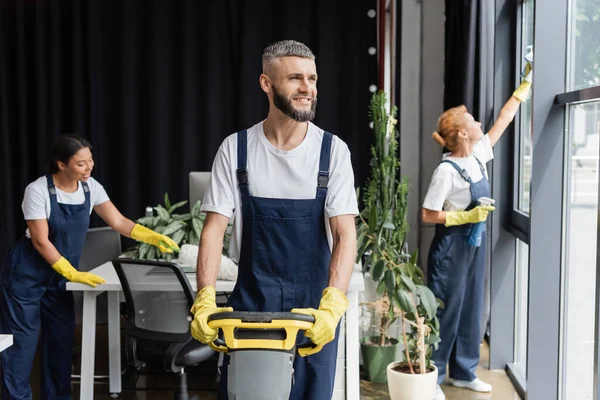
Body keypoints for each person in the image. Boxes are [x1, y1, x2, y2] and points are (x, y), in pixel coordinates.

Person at [189, 40, 358, 399]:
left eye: (312, 79)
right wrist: (204, 297)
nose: (307, 88)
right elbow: (213, 230)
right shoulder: (236, 150)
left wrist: (333, 305)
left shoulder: (333, 152)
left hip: (314, 312)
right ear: (266, 83)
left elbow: (345, 235)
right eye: (295, 78)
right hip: (252, 308)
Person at [0, 134, 179, 400]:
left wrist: (150, 235)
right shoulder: (37, 191)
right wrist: (71, 272)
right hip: (26, 276)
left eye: (90, 160)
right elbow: (40, 241)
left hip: (59, 280)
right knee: (20, 347)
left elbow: (118, 221)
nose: (89, 167)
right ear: (61, 164)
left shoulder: (90, 187)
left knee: (60, 346)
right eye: (81, 163)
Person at [422, 62, 533, 400]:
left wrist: (525, 83)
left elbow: (504, 119)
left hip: (474, 244)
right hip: (451, 247)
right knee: (446, 309)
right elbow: (428, 214)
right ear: (463, 134)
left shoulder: (478, 153)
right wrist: (462, 219)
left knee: (472, 306)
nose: (480, 123)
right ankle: (434, 376)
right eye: (473, 121)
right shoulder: (447, 170)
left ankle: (464, 372)